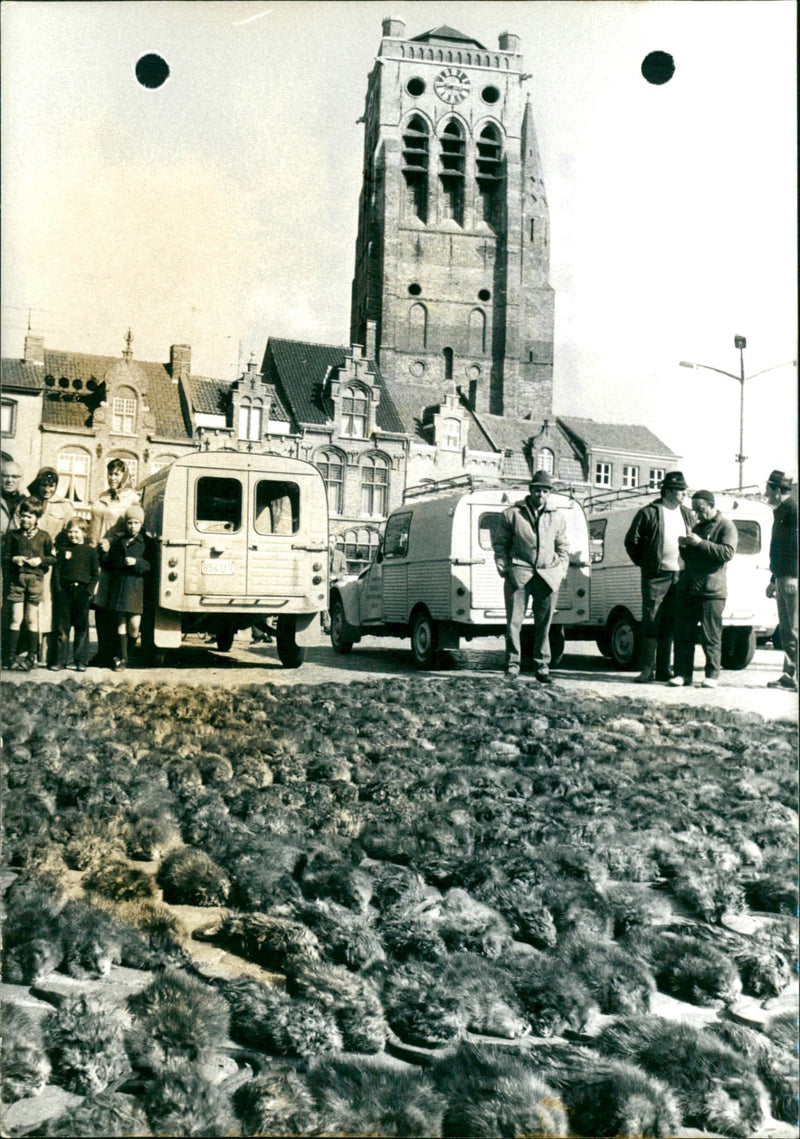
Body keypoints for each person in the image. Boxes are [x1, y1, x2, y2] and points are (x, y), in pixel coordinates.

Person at [491, 470, 570, 682]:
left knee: (544, 624)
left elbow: (562, 547)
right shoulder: (512, 514)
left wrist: (561, 570)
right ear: (530, 490)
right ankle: (512, 666)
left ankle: (542, 666)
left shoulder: (557, 517)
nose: (540, 495)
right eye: (537, 490)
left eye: (545, 491)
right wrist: (503, 565)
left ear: (549, 493)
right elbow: (500, 544)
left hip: (547, 576)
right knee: (514, 623)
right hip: (519, 574)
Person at [624, 471, 694, 682]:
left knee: (671, 622)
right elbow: (631, 542)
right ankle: (647, 669)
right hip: (656, 576)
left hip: (679, 576)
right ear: (669, 491)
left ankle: (664, 669)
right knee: (652, 620)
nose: (684, 494)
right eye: (681, 490)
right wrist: (648, 565)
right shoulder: (649, 512)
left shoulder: (687, 514)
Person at [668, 490, 737, 689]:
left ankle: (712, 675)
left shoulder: (726, 526)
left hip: (712, 591)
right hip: (690, 589)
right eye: (695, 510)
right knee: (683, 633)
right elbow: (692, 558)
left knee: (711, 635)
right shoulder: (698, 526)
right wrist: (685, 546)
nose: (697, 514)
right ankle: (682, 674)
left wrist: (700, 543)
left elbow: (727, 552)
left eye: (701, 509)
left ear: (712, 505)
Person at [18, 467, 74, 665]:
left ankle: (45, 652)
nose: (47, 489)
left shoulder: (64, 506)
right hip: (28, 563)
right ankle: (26, 649)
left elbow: (71, 531)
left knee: (47, 605)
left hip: (50, 563)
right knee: (27, 605)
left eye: (51, 485)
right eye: (43, 485)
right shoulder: (29, 501)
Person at [89, 459, 140, 667]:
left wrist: (111, 541)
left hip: (114, 556)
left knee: (113, 606)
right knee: (99, 605)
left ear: (125, 476)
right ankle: (102, 652)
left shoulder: (132, 499)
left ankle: (117, 655)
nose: (113, 478)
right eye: (110, 473)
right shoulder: (103, 497)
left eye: (117, 474)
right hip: (97, 555)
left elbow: (132, 526)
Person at [1, 497, 55, 670]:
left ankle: (32, 656)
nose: (25, 520)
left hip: (35, 581)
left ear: (37, 518)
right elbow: (5, 557)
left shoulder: (44, 537)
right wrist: (14, 559)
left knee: (31, 618)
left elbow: (52, 558)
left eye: (30, 517)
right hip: (17, 581)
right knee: (16, 618)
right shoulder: (13, 536)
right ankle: (9, 656)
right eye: (23, 516)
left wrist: (40, 560)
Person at [101, 504, 150, 672]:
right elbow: (111, 561)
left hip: (135, 588)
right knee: (120, 624)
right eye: (130, 522)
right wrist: (105, 552)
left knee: (134, 626)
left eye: (136, 523)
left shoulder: (145, 542)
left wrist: (137, 562)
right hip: (119, 587)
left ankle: (126, 654)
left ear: (141, 524)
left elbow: (150, 565)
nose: (132, 526)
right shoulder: (119, 541)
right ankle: (122, 659)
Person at [50, 517, 100, 672]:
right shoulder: (63, 550)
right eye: (70, 532)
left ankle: (80, 661)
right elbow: (56, 573)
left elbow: (95, 575)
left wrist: (89, 591)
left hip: (82, 593)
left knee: (81, 628)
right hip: (65, 593)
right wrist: (59, 591)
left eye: (76, 532)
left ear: (84, 533)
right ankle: (59, 661)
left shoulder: (90, 551)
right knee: (62, 628)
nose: (73, 535)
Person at [764, 469, 797, 691]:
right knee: (787, 632)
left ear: (777, 490)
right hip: (782, 577)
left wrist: (794, 575)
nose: (766, 493)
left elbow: (795, 546)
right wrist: (773, 578)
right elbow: (779, 550)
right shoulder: (782, 511)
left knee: (794, 630)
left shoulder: (792, 510)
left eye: (768, 489)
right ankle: (789, 675)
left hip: (791, 578)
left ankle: (793, 677)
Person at [1, 459, 25, 536]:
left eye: (14, 477)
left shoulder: (26, 502)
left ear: (21, 479)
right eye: (5, 476)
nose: (9, 480)